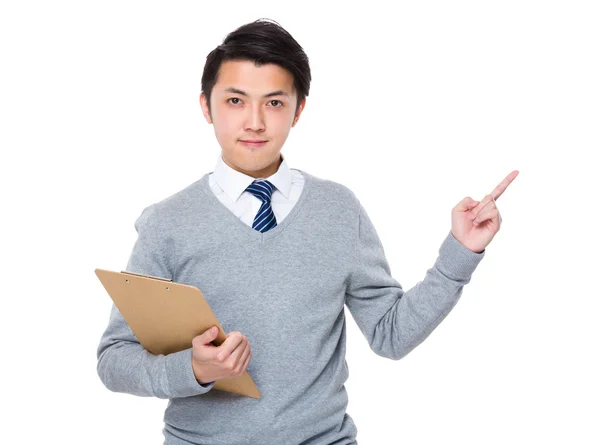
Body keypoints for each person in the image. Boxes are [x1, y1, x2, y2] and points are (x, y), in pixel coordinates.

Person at [96, 18, 518, 445]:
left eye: (274, 103)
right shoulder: (167, 223)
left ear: (298, 110)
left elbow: (390, 335)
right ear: (206, 106)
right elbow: (115, 360)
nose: (255, 122)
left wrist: (460, 254)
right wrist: (194, 370)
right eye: (236, 100)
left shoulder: (337, 209)